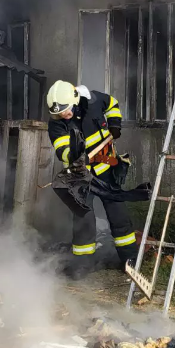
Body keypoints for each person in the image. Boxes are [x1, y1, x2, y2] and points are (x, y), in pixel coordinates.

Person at [47, 80, 149, 278]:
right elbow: (63, 151)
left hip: (107, 171)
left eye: (66, 111)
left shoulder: (94, 101)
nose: (63, 116)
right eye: (59, 113)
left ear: (75, 100)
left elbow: (112, 104)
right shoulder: (56, 125)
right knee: (83, 219)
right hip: (80, 177)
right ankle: (83, 265)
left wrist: (115, 123)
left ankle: (130, 261)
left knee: (119, 216)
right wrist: (74, 155)